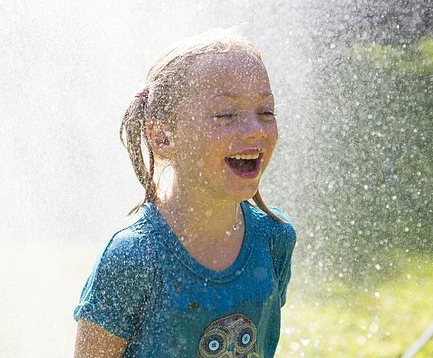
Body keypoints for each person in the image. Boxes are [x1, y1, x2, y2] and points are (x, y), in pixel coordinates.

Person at [73, 28, 296, 358]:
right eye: (225, 115)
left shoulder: (274, 240)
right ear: (163, 137)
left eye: (265, 112)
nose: (254, 130)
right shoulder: (135, 258)